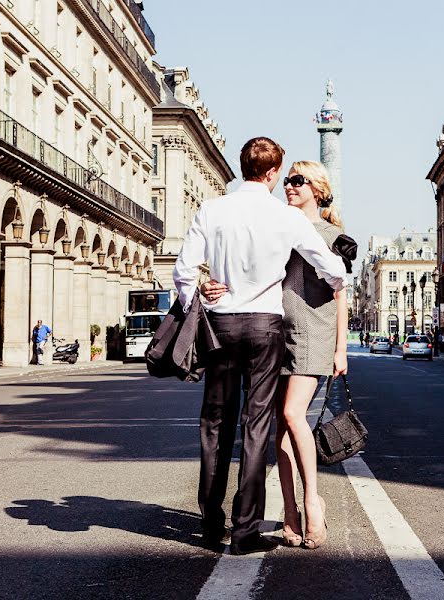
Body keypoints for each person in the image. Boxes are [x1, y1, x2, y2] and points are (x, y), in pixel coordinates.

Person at [174, 138, 347, 556]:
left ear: (241, 167)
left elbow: (183, 273)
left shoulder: (212, 210)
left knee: (215, 425)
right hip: (266, 328)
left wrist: (201, 287)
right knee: (257, 427)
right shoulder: (284, 216)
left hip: (220, 327)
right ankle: (246, 528)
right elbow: (333, 269)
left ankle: (211, 521)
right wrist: (337, 282)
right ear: (272, 173)